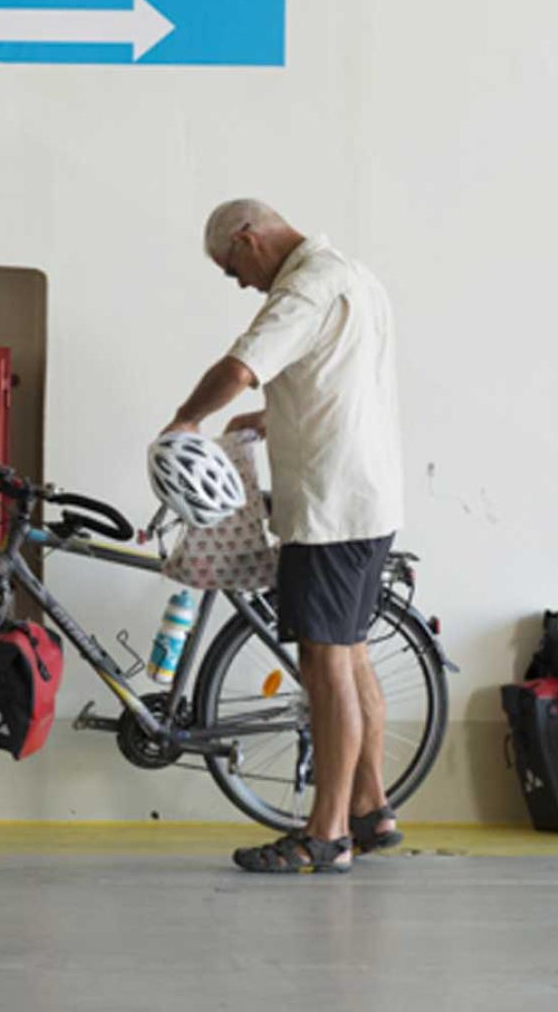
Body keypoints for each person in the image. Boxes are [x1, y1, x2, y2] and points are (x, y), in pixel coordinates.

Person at [164, 199, 404, 876]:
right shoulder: (353, 274)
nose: (238, 282)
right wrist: (278, 414)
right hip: (370, 499)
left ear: (249, 238)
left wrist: (186, 421)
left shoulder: (303, 285)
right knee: (351, 657)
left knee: (325, 670)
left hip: (328, 509)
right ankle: (371, 807)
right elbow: (339, 375)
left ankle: (324, 836)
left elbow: (242, 364)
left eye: (231, 266)